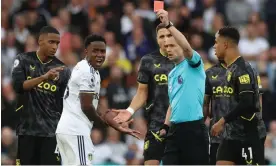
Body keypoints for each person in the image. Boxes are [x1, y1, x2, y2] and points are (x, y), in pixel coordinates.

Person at [55, 34, 140, 165]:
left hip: (69, 129)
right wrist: (108, 125)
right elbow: (87, 107)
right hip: (76, 130)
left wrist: (110, 119)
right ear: (86, 52)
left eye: (102, 51)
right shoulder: (87, 70)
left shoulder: (92, 72)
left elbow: (91, 106)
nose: (100, 54)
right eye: (95, 51)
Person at [112, 23, 174, 165]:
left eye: (169, 35)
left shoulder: (183, 62)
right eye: (161, 36)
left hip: (179, 124)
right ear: (157, 39)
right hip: (155, 124)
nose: (165, 40)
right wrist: (129, 111)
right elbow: (141, 93)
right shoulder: (148, 61)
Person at [11, 26, 71, 165]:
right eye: (51, 42)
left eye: (57, 43)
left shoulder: (63, 70)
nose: (55, 46)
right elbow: (18, 86)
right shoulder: (24, 60)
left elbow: (65, 102)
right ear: (40, 41)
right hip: (27, 129)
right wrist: (43, 78)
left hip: (51, 132)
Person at [156, 9, 209, 165]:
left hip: (194, 130)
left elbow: (187, 49)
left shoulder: (194, 64)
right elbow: (173, 103)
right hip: (175, 131)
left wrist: (169, 25)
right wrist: (166, 126)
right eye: (167, 46)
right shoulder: (172, 74)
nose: (168, 49)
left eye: (173, 45)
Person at [211, 26, 266, 165]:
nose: (214, 46)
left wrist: (222, 121)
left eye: (216, 42)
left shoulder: (243, 69)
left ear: (225, 44)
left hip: (248, 135)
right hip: (231, 135)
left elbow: (247, 102)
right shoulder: (231, 69)